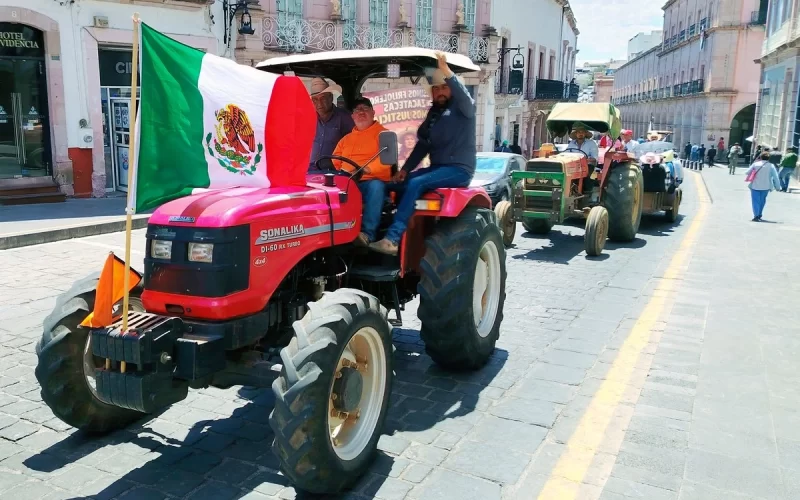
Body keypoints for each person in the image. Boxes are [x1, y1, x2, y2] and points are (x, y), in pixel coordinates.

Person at [369, 52, 475, 256]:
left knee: (417, 183)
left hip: (459, 170)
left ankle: (392, 239)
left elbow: (464, 96)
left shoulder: (463, 109)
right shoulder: (433, 114)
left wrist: (446, 72)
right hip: (437, 168)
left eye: (444, 87)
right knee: (391, 185)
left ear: (452, 90)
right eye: (436, 88)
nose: (440, 92)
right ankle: (374, 232)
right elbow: (423, 146)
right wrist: (405, 170)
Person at [330, 97, 392, 247]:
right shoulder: (346, 139)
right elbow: (335, 160)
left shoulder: (385, 135)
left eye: (365, 109)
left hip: (369, 183)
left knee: (376, 186)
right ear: (352, 116)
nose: (361, 112)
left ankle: (367, 234)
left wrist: (367, 169)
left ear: (373, 112)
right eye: (357, 110)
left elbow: (387, 162)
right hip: (347, 181)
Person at [308, 77, 355, 171]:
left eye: (323, 98)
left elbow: (353, 147)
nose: (319, 104)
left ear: (331, 97)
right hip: (309, 171)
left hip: (334, 172)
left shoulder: (346, 118)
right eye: (315, 100)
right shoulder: (308, 119)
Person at [745, 151, 780, 221]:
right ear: (768, 158)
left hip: (755, 186)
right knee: (762, 201)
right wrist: (778, 186)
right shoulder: (771, 166)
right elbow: (776, 177)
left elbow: (747, 172)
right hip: (766, 186)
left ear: (760, 157)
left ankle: (756, 215)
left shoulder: (755, 164)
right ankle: (759, 213)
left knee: (755, 201)